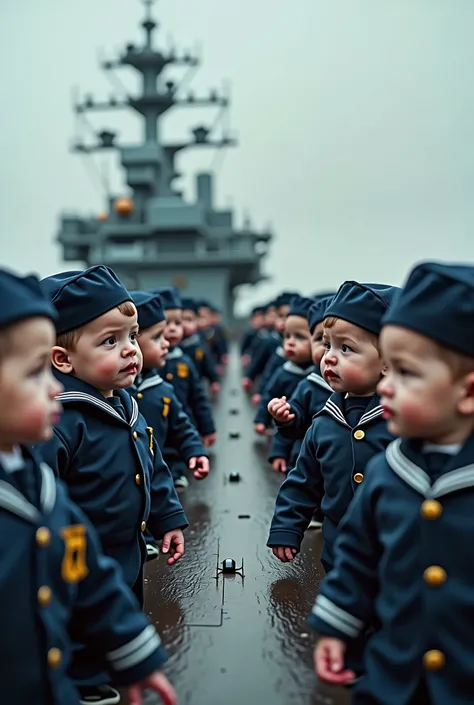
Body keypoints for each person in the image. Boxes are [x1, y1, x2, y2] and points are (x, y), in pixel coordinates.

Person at [0, 268, 176, 705]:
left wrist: (134, 656)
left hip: (122, 552)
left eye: (132, 336)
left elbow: (90, 570)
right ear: (65, 358)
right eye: (35, 372)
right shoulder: (59, 434)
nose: (51, 389)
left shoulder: (33, 479)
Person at [311, 262, 474, 705]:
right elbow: (358, 561)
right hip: (391, 678)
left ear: (468, 392)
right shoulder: (389, 471)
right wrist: (334, 628)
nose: (387, 385)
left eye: (405, 373)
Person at [267, 281, 398, 574]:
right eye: (328, 345)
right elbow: (303, 481)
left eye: (346, 348)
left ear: (388, 361)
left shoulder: (401, 422)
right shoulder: (325, 422)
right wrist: (287, 528)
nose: (329, 357)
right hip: (339, 549)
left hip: (394, 546)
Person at [129, 290, 210, 497]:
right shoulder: (115, 392)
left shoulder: (161, 387)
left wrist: (195, 450)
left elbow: (182, 425)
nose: (166, 342)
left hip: (161, 465)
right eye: (157, 337)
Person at [154, 287, 217, 448]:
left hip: (181, 427)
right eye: (166, 323)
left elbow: (198, 397)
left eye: (177, 323)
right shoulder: (149, 363)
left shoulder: (184, 360)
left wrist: (207, 429)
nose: (173, 328)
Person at [180, 297, 220, 395]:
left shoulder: (198, 343)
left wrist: (213, 380)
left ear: (196, 321)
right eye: (180, 321)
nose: (184, 324)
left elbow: (208, 362)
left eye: (189, 320)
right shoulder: (173, 345)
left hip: (197, 383)